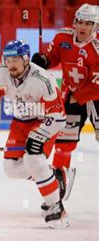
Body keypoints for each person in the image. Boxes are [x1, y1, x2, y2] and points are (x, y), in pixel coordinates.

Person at [0, 40, 71, 228]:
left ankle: (56, 208)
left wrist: (40, 135)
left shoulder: (42, 80)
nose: (11, 64)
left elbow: (59, 116)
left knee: (33, 159)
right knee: (12, 169)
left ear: (25, 59)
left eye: (15, 59)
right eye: (8, 60)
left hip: (44, 121)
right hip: (20, 123)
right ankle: (53, 175)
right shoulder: (1, 74)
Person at [31, 3, 98, 202]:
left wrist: (76, 97)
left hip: (95, 98)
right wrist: (43, 60)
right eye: (79, 21)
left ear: (96, 26)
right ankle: (59, 184)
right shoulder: (63, 38)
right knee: (63, 144)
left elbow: (96, 86)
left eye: (88, 23)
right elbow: (53, 57)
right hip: (72, 95)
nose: (82, 26)